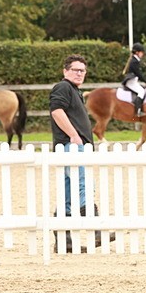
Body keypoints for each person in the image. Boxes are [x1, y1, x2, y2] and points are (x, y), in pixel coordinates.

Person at [50, 55, 94, 219]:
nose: (80, 73)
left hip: (72, 146)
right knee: (84, 184)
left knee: (67, 193)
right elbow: (57, 111)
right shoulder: (63, 87)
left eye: (82, 71)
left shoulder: (75, 90)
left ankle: (64, 240)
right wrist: (74, 136)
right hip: (72, 146)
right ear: (65, 71)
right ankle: (94, 227)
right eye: (75, 70)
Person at [122, 43, 146, 118]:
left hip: (133, 80)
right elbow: (139, 74)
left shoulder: (135, 60)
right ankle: (137, 111)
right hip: (131, 81)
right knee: (141, 91)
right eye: (141, 52)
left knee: (142, 89)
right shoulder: (134, 61)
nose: (143, 54)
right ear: (137, 52)